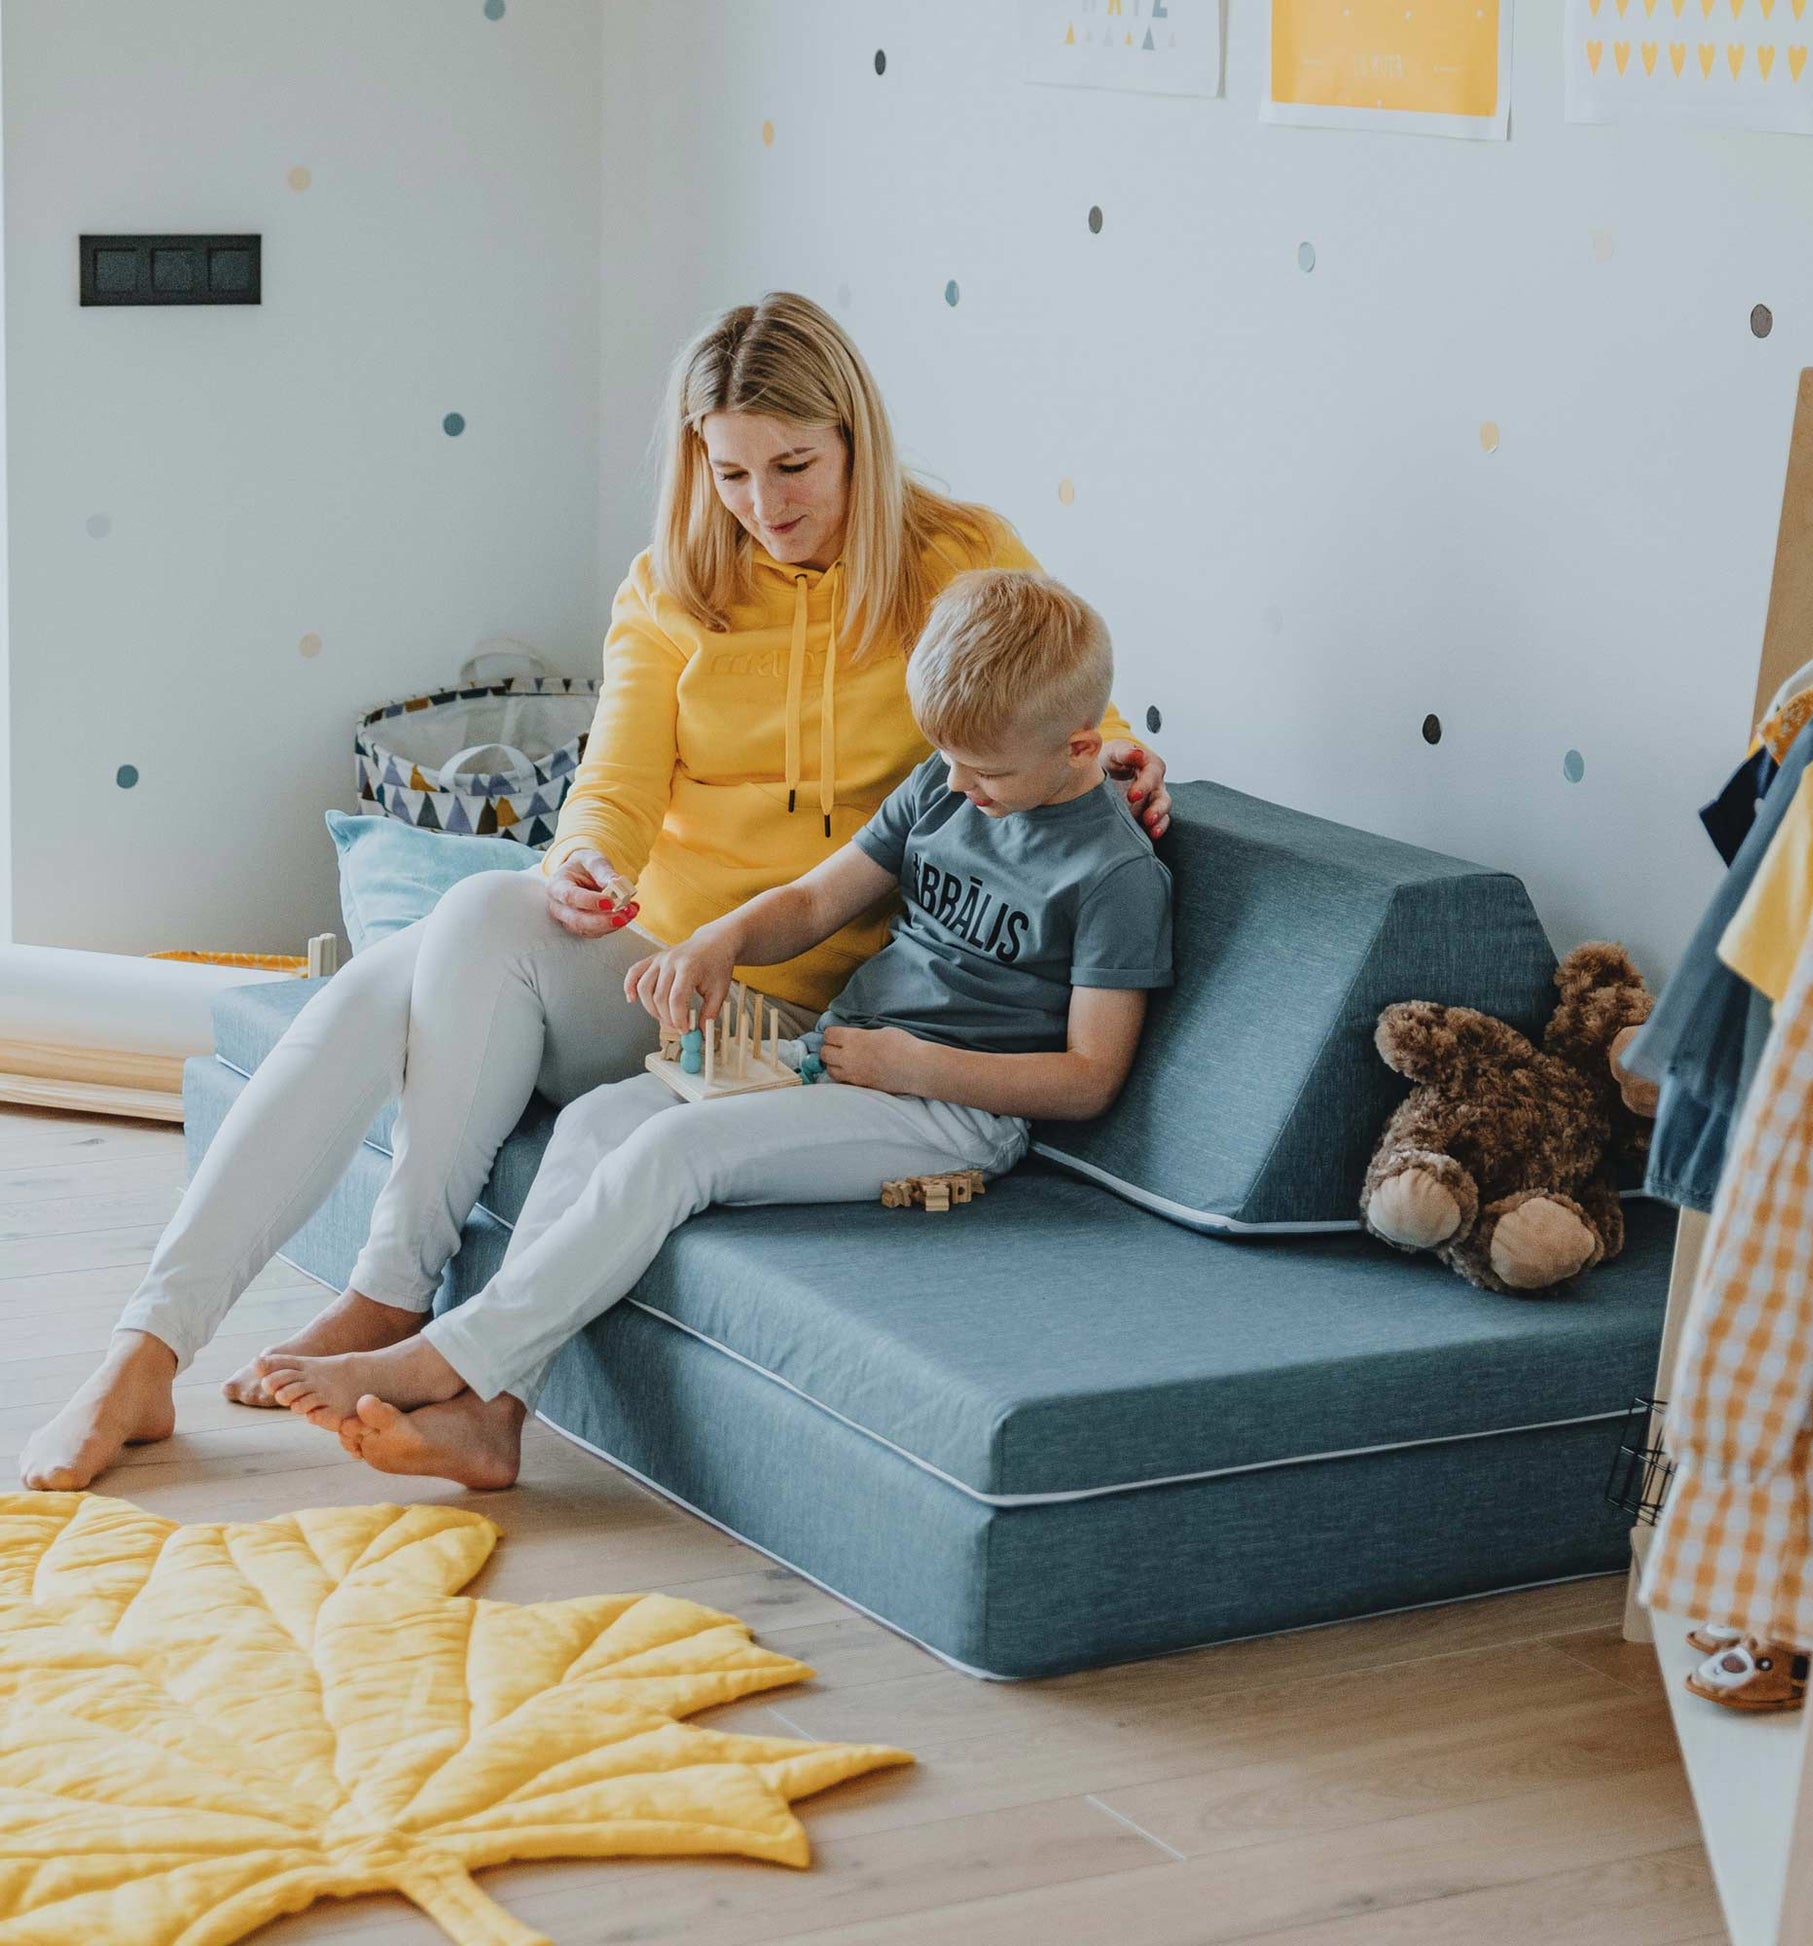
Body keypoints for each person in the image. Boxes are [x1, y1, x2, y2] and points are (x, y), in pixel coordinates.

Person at [20, 291, 1167, 1493]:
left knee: (386, 982)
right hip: (663, 978)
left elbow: (1055, 708)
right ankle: (146, 1348)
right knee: (463, 925)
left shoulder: (959, 555)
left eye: (793, 466)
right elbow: (611, 787)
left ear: (854, 444)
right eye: (727, 473)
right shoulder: (672, 586)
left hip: (804, 1023)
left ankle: (381, 1301)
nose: (763, 507)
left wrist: (1133, 759)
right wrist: (584, 863)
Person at [257, 569, 1174, 1486]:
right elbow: (820, 897)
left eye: (991, 773)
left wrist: (911, 1064)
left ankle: (442, 1360)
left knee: (675, 1152)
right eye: (951, 760)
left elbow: (1089, 1077)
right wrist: (720, 943)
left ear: (1082, 744)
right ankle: (494, 1412)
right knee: (599, 1121)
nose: (964, 787)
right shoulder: (944, 783)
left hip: (956, 1114)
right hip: (841, 1057)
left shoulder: (1111, 873)